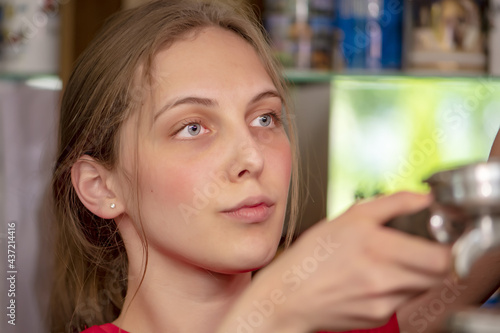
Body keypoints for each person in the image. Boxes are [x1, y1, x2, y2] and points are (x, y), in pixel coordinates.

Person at [50, 1, 490, 332]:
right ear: (99, 186)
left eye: (265, 118)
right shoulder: (291, 310)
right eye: (192, 128)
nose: (253, 158)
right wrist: (276, 309)